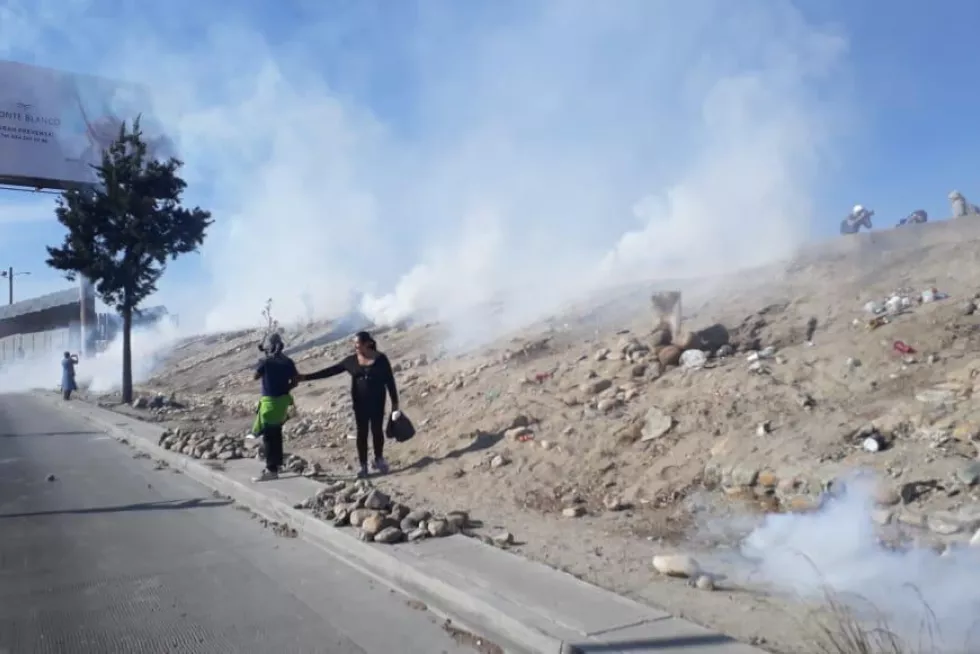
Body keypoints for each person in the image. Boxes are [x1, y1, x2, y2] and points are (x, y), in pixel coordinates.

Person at [298, 331, 400, 479]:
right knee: (362, 433)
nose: (355, 347)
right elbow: (330, 371)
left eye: (358, 344)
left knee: (377, 430)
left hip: (377, 402)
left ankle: (379, 459)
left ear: (368, 344)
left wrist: (395, 403)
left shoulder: (381, 359)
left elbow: (390, 381)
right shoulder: (351, 361)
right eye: (355, 344)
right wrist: (306, 377)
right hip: (360, 404)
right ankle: (363, 466)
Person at [250, 332, 299, 482]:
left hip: (269, 403)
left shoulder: (265, 361)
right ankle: (277, 465)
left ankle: (271, 470)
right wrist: (285, 389)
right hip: (283, 402)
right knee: (276, 434)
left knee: (269, 437)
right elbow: (295, 381)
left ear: (269, 347)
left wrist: (263, 359)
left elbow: (255, 377)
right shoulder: (288, 361)